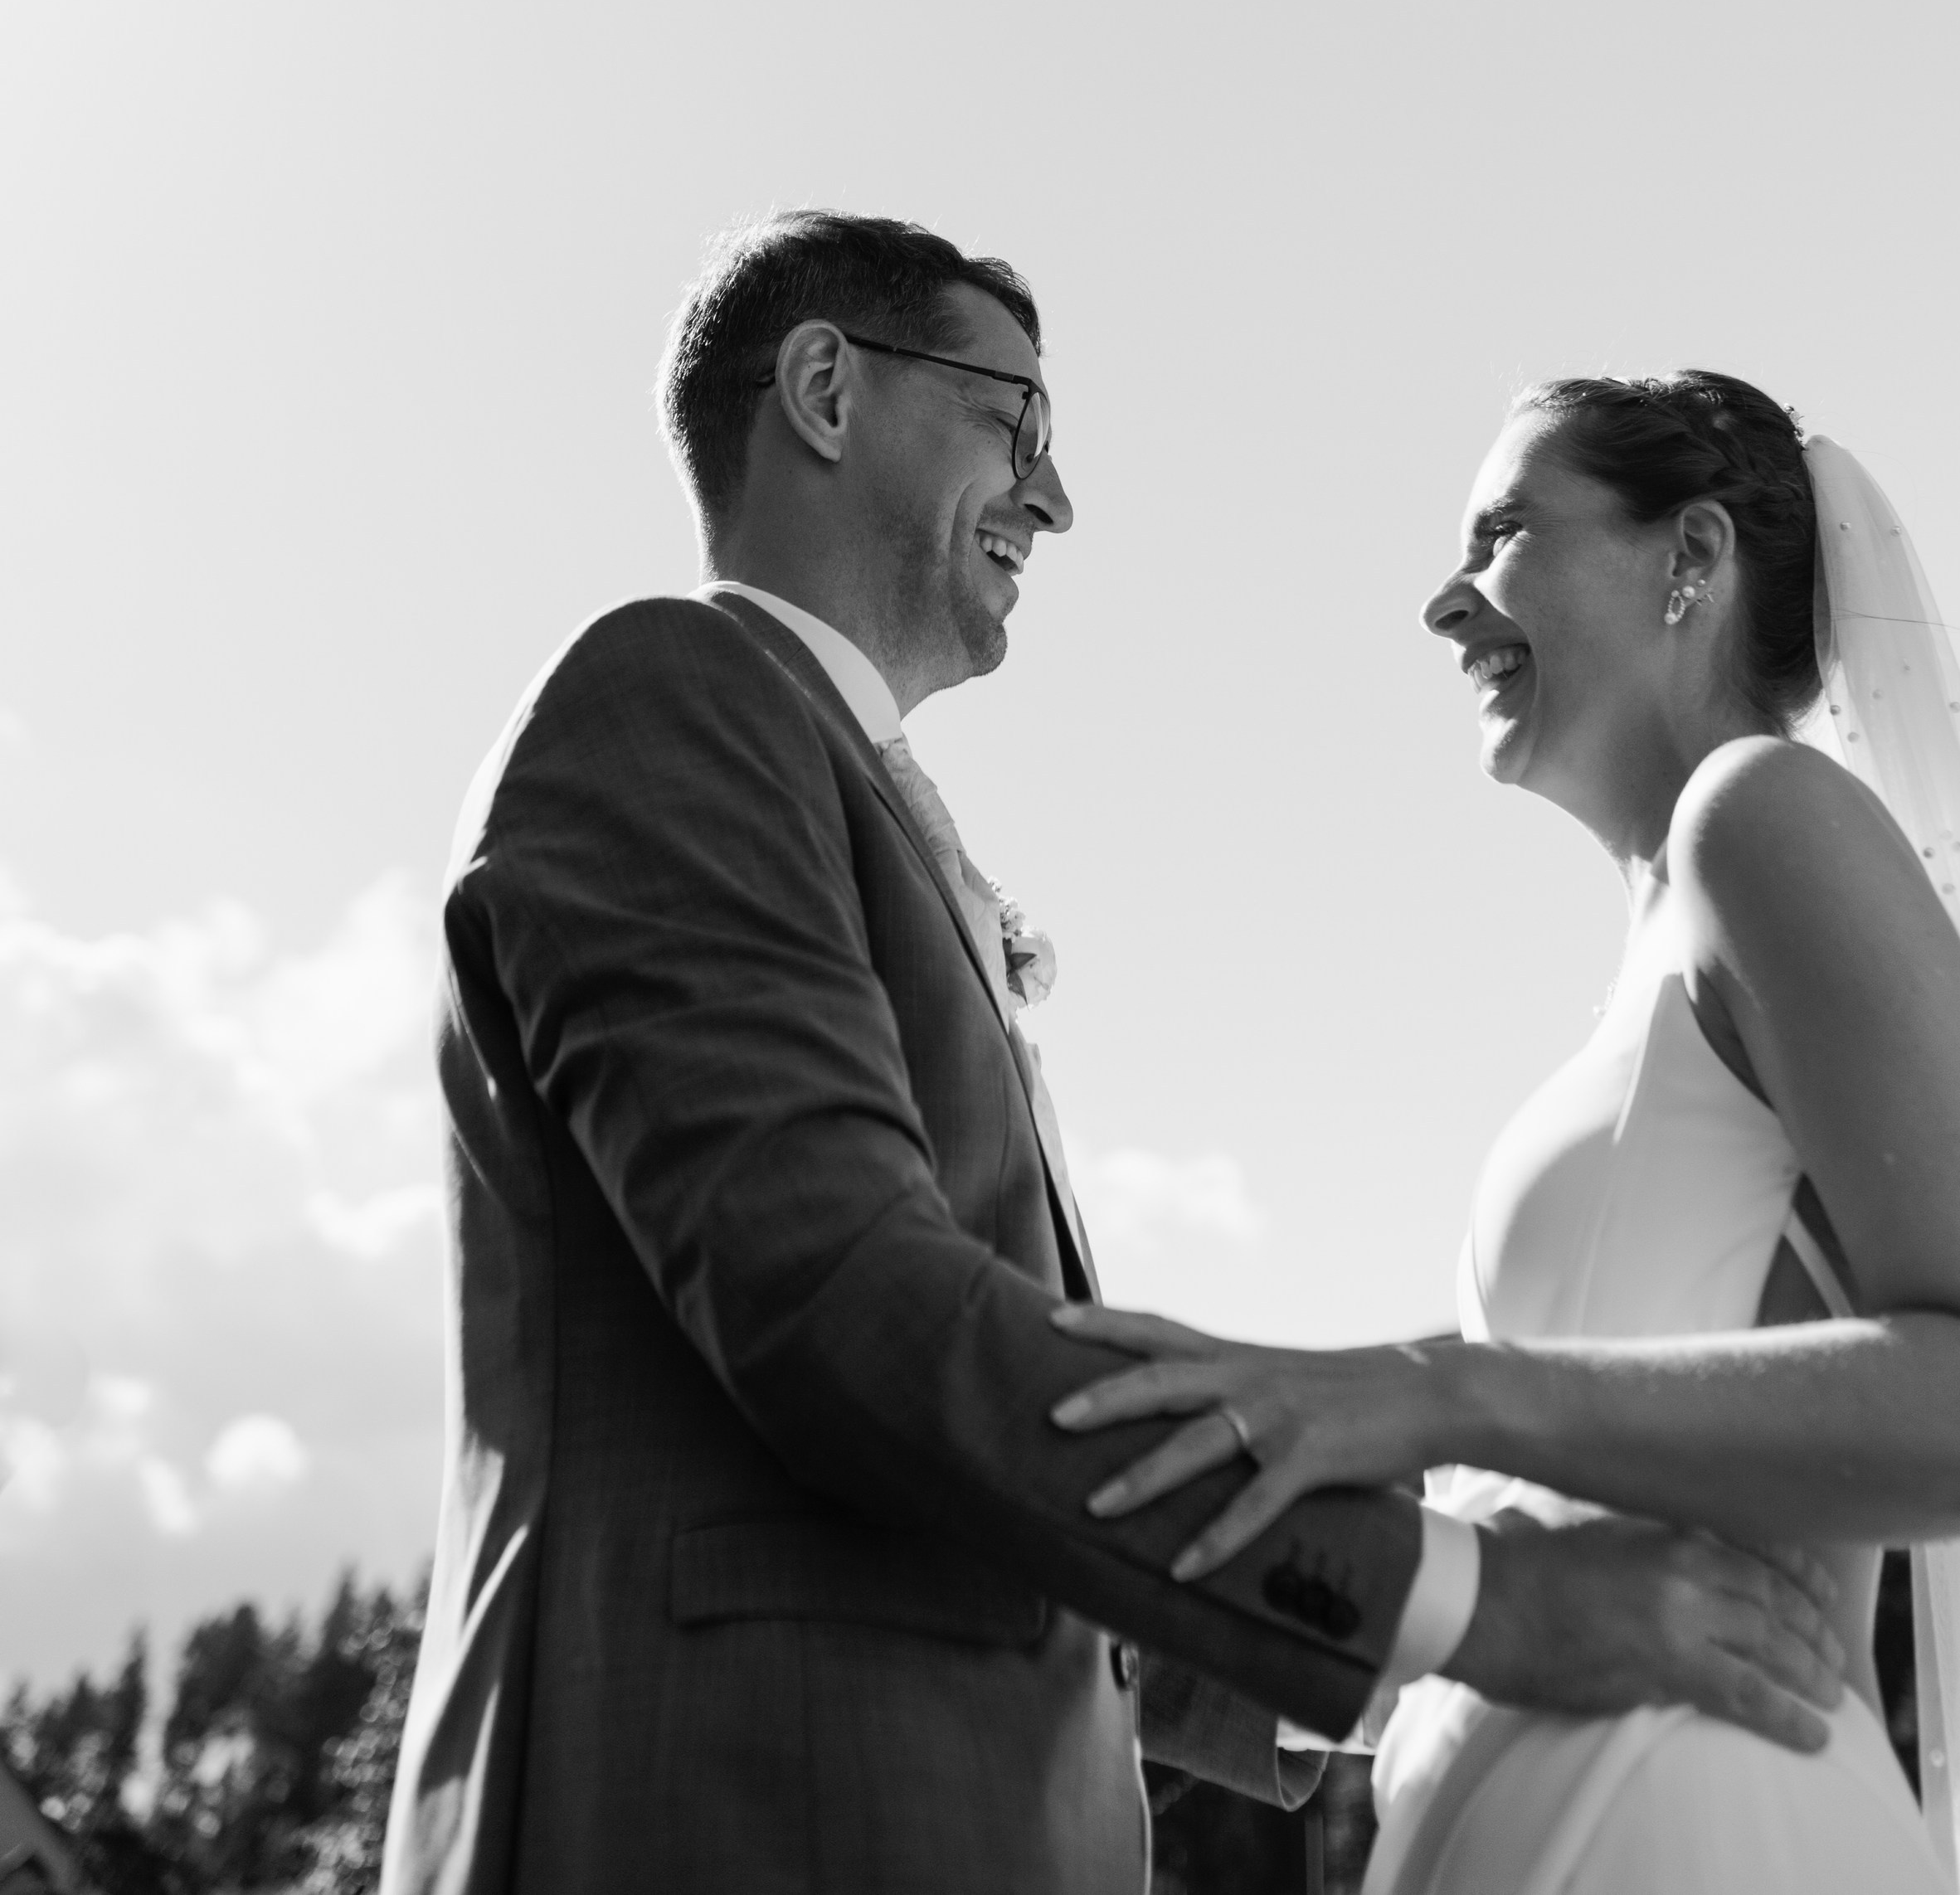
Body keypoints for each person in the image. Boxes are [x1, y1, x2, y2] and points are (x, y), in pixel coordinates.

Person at [379, 229, 1846, 1895]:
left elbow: (965, 1476)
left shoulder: (813, 776)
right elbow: (846, 1318)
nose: (1057, 499)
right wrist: (1479, 1603)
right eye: (1017, 420)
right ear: (822, 390)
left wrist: (1374, 1672)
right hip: (717, 1823)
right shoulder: (674, 702)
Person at [1052, 372, 1960, 1893]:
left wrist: (1442, 1394)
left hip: (1707, 1831)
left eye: (1500, 531)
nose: (1444, 604)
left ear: (1689, 556)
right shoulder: (1653, 948)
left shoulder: (1759, 814)